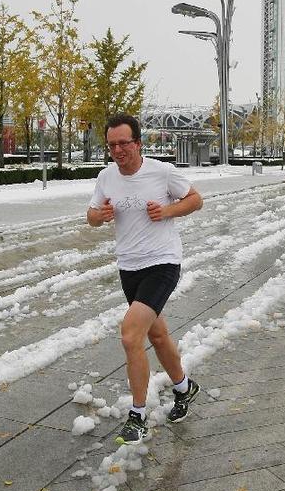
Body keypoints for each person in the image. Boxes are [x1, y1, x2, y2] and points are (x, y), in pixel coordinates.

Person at [87, 113, 203, 444]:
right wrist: (100, 216)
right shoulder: (107, 177)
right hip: (129, 267)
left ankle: (137, 415)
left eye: (124, 143)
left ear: (138, 143)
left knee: (130, 335)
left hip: (163, 263)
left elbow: (196, 199)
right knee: (159, 336)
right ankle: (184, 388)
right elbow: (91, 216)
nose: (118, 150)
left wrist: (167, 211)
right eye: (112, 145)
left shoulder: (162, 172)